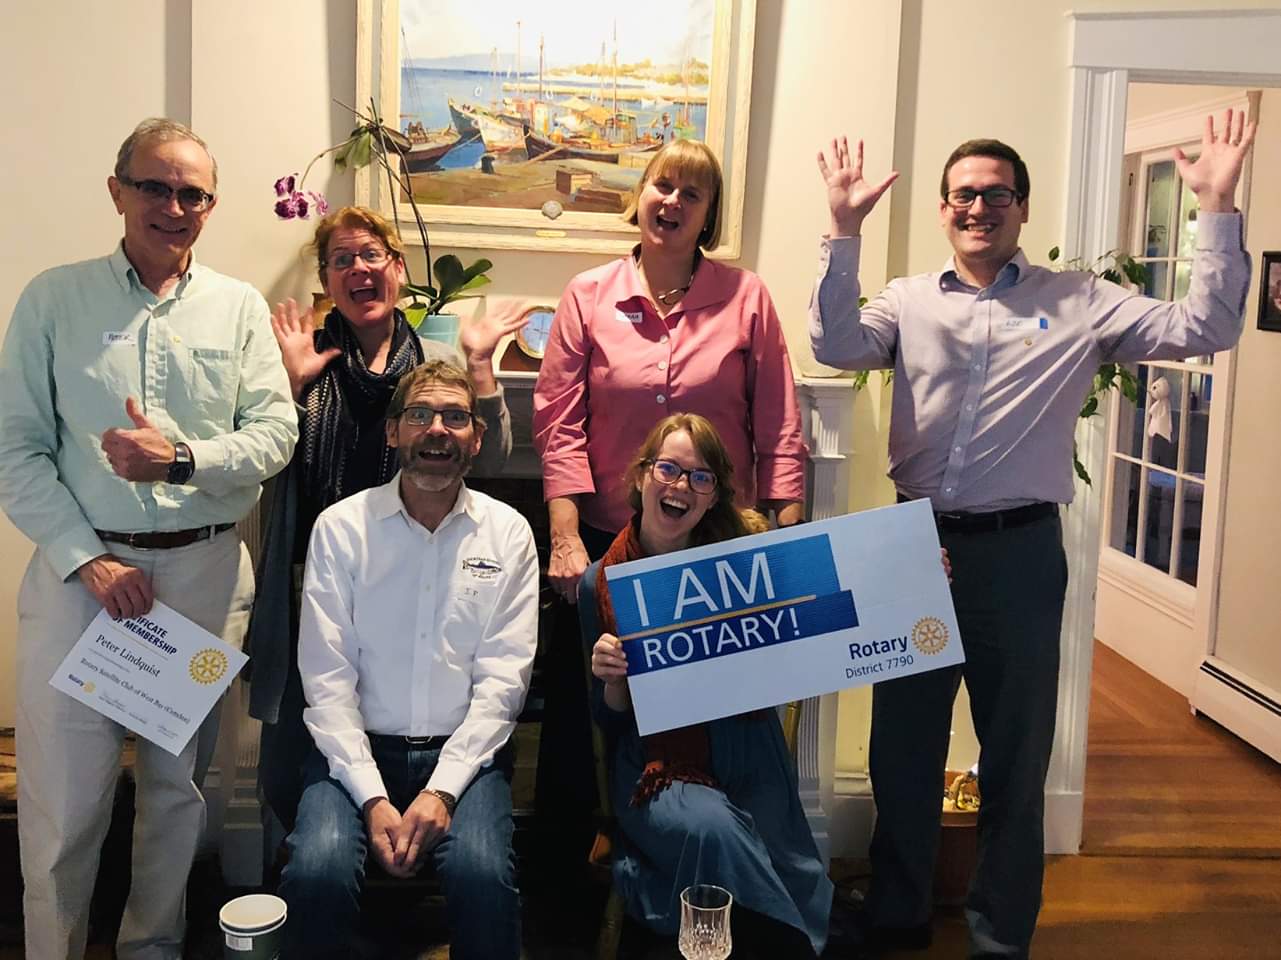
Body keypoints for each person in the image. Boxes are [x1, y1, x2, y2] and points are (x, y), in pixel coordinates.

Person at [810, 111, 1256, 958]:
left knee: (1015, 754)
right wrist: (842, 229)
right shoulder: (906, 299)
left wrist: (1215, 208)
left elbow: (1206, 330)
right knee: (901, 746)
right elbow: (834, 344)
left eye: (995, 195)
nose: (977, 207)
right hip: (911, 545)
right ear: (942, 207)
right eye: (962, 195)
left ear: (1021, 207)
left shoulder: (1079, 301)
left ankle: (998, 935)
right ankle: (898, 914)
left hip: (1016, 555)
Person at [0, 118, 298, 959]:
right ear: (117, 191)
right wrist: (88, 559)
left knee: (178, 794)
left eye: (192, 193)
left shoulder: (238, 308)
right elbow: (14, 448)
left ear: (210, 206)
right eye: (155, 187)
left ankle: (152, 948)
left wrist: (181, 458)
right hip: (82, 582)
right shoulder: (54, 299)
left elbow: (276, 434)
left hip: (205, 579)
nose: (174, 206)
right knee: (65, 805)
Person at [246, 205, 518, 832]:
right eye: (341, 260)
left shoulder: (439, 356)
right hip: (318, 583)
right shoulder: (302, 356)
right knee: (294, 762)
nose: (359, 269)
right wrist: (289, 391)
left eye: (372, 255)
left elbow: (490, 460)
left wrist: (480, 368)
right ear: (326, 278)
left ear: (396, 267)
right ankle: (319, 859)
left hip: (420, 579)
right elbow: (262, 470)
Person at [278, 359, 538, 959]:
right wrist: (372, 796)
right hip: (352, 753)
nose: (437, 429)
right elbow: (326, 678)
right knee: (316, 871)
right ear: (393, 431)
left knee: (482, 876)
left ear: (477, 437)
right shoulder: (341, 529)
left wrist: (442, 791)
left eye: (455, 417)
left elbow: (504, 681)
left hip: (467, 757)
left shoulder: (508, 534)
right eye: (419, 414)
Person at [582, 413, 832, 959]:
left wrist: (914, 571)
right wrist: (613, 680)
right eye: (668, 469)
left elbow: (847, 588)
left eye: (700, 477)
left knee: (784, 857)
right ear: (642, 475)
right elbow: (608, 721)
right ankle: (788, 947)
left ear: (714, 495)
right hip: (656, 759)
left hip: (749, 745)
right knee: (713, 830)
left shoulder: (745, 565)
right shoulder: (599, 580)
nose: (680, 486)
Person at [534, 137, 807, 602]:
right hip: (612, 537)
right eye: (663, 185)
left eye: (692, 194)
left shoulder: (747, 297)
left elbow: (779, 424)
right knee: (606, 651)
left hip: (721, 537)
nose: (673, 201)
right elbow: (558, 427)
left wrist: (790, 537)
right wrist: (565, 537)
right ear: (640, 194)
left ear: (708, 217)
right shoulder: (586, 295)